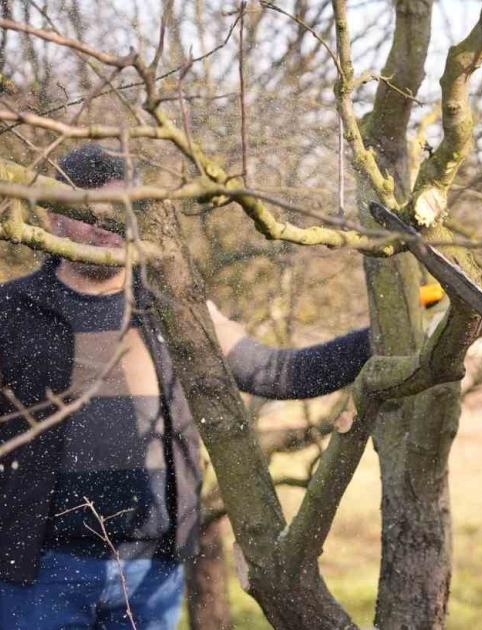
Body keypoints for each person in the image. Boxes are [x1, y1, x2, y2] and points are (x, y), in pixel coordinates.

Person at [0, 145, 372, 629]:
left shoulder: (173, 307)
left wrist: (385, 337)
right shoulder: (11, 310)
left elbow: (278, 373)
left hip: (151, 570)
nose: (107, 224)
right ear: (53, 219)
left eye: (121, 210)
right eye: (88, 210)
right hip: (39, 569)